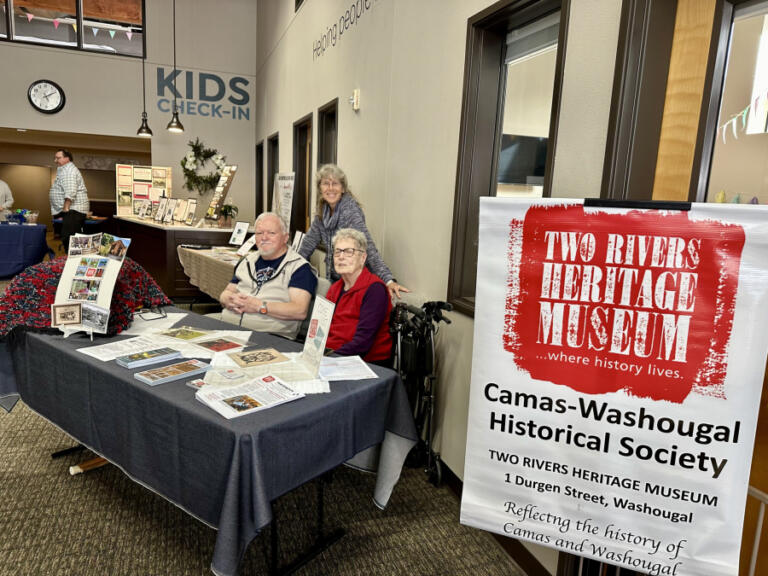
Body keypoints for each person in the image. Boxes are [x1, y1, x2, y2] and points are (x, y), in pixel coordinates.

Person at [298, 164, 409, 300]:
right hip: (337, 280)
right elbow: (308, 243)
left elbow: (368, 246)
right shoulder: (323, 211)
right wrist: (294, 267)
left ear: (343, 188)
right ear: (320, 189)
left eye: (335, 184)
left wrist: (389, 280)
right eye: (326, 183)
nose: (331, 188)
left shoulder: (350, 211)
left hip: (355, 281)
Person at [220, 212, 317, 338]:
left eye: (271, 233)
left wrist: (259, 306)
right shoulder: (247, 261)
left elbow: (299, 310)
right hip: (228, 328)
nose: (264, 238)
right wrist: (229, 299)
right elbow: (226, 293)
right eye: (259, 233)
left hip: (268, 337)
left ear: (285, 237)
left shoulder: (299, 268)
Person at [325, 228, 392, 364]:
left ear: (363, 258)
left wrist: (330, 358)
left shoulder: (375, 290)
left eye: (349, 252)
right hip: (331, 355)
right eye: (337, 251)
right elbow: (319, 326)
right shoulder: (334, 288)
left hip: (365, 362)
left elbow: (363, 342)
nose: (341, 257)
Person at [49, 149, 89, 251]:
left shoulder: (69, 171)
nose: (55, 160)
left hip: (73, 209)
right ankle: (72, 260)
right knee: (71, 239)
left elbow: (71, 190)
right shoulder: (64, 169)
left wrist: (66, 207)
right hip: (72, 210)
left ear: (67, 158)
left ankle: (73, 262)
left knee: (70, 239)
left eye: (58, 158)